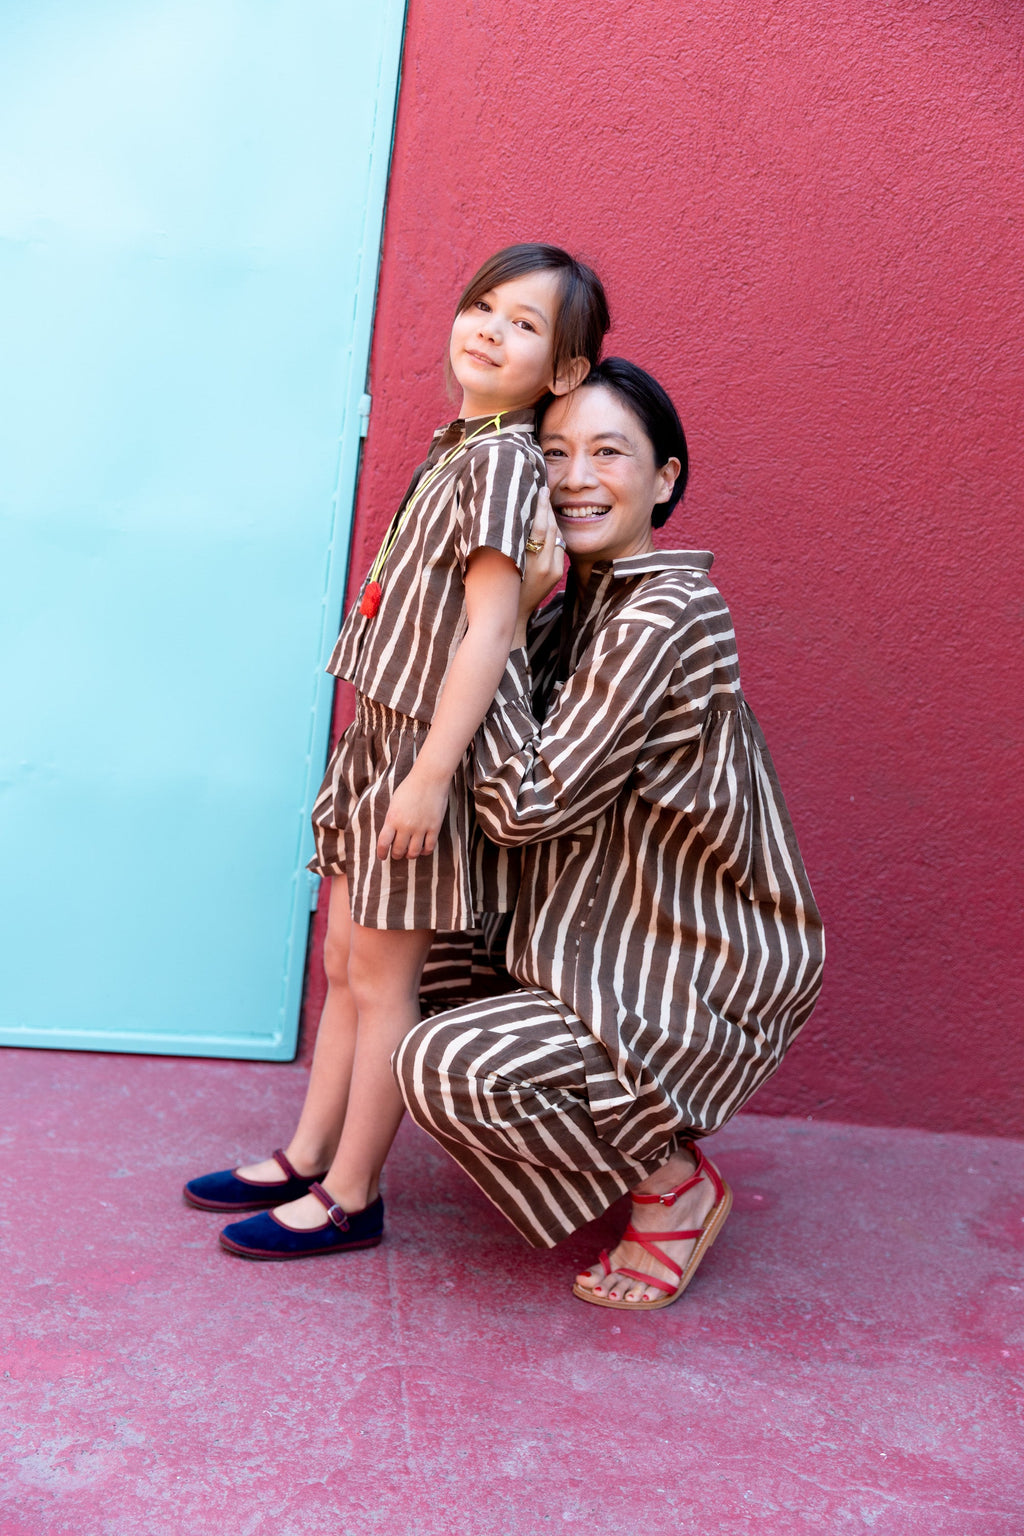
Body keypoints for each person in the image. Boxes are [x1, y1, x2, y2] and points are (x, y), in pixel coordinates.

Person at [184, 244, 610, 1259]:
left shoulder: (502, 461)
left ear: (562, 370)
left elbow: (488, 630)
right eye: (483, 306)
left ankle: (352, 1194)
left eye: (523, 324)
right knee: (345, 962)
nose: (489, 330)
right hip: (383, 741)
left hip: (424, 753)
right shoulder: (463, 446)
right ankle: (307, 1154)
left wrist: (427, 778)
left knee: (383, 981)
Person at [395, 358, 825, 1310]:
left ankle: (673, 1182)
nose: (575, 478)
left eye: (608, 453)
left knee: (444, 1061)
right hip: (583, 938)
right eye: (553, 454)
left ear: (665, 478)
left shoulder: (666, 610)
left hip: (686, 959)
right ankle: (628, 1126)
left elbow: (522, 807)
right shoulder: (577, 609)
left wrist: (503, 629)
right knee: (416, 968)